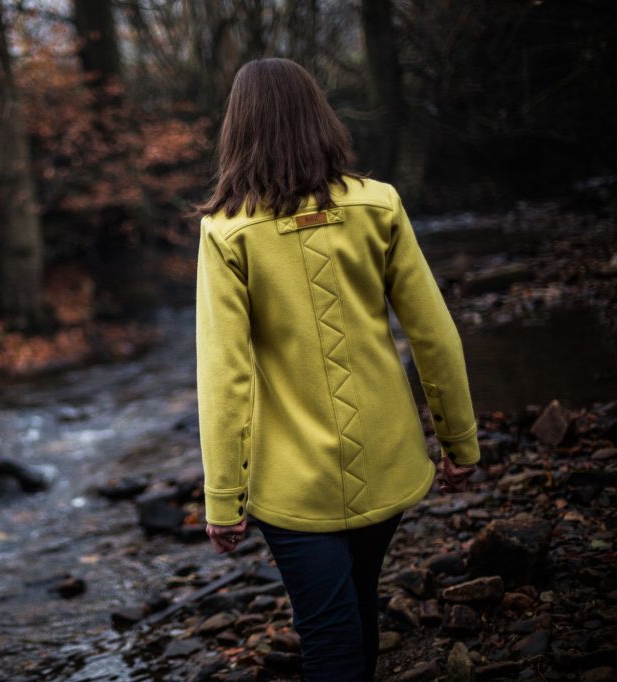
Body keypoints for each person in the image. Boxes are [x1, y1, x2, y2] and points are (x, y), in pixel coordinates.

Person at [192, 58, 480, 682]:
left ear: (237, 131)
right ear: (320, 117)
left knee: (328, 634)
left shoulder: (227, 232)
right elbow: (435, 335)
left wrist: (223, 497)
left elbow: (224, 378)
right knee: (358, 611)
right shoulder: (379, 205)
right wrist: (459, 443)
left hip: (293, 483)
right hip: (387, 459)